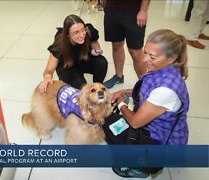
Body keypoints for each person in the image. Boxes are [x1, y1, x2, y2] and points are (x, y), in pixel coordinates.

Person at [103, 29, 190, 178]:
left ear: (172, 58)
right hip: (160, 132)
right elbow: (146, 90)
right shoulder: (166, 70)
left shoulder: (166, 91)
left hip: (160, 146)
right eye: (145, 53)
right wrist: (122, 91)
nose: (144, 60)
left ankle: (139, 168)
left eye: (152, 56)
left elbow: (136, 123)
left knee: (108, 121)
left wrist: (121, 104)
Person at [38, 14, 108, 92]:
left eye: (83, 30)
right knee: (82, 90)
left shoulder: (88, 31)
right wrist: (47, 78)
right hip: (68, 67)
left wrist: (97, 49)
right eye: (76, 32)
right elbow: (49, 70)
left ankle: (98, 87)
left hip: (83, 59)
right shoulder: (59, 46)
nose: (82, 35)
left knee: (101, 62)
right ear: (68, 34)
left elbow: (94, 40)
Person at [103, 0, 150, 89]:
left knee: (136, 52)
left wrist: (143, 10)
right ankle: (119, 76)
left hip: (134, 11)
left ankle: (144, 85)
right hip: (111, 10)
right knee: (116, 45)